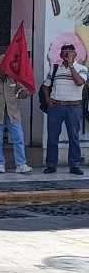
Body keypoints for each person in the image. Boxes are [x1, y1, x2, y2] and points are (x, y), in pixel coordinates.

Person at [0, 54, 32, 175]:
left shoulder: (14, 77)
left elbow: (21, 92)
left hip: (12, 113)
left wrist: (27, 92)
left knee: (19, 138)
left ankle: (21, 164)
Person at [42, 42, 87, 175]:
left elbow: (79, 82)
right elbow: (45, 86)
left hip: (73, 106)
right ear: (61, 55)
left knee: (74, 137)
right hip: (56, 106)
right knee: (52, 137)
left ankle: (74, 165)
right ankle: (51, 164)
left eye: (70, 52)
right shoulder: (55, 69)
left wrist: (71, 66)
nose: (68, 55)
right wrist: (47, 98)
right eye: (65, 53)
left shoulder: (81, 68)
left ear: (75, 54)